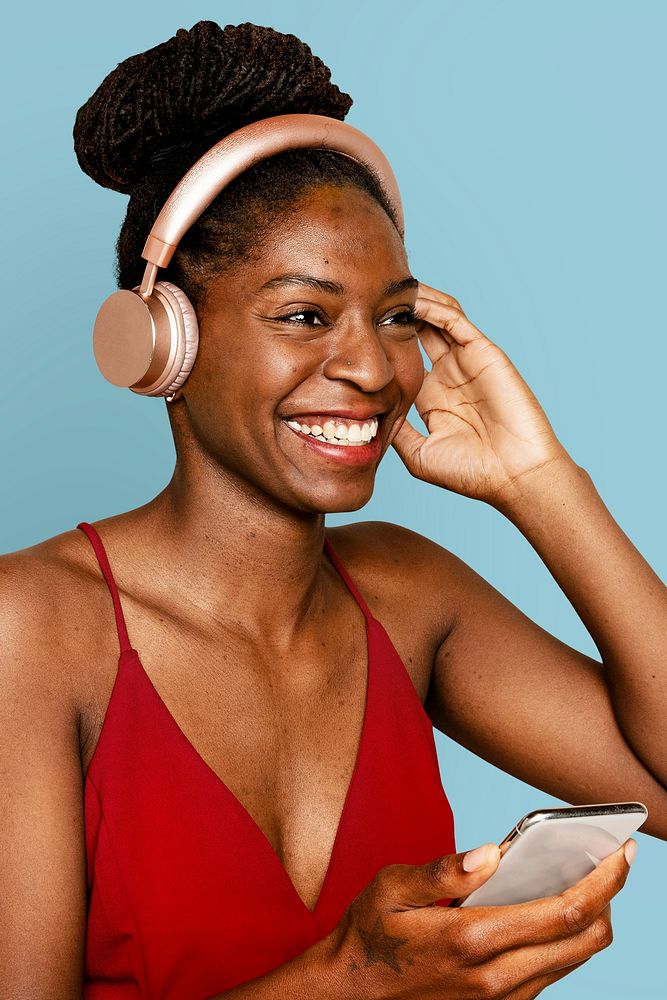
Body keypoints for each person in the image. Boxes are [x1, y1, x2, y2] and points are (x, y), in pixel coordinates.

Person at [1, 18, 665, 1000]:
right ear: (160, 341)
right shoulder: (32, 631)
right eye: (306, 315)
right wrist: (357, 979)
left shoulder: (407, 590)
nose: (370, 366)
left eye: (395, 316)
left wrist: (540, 481)